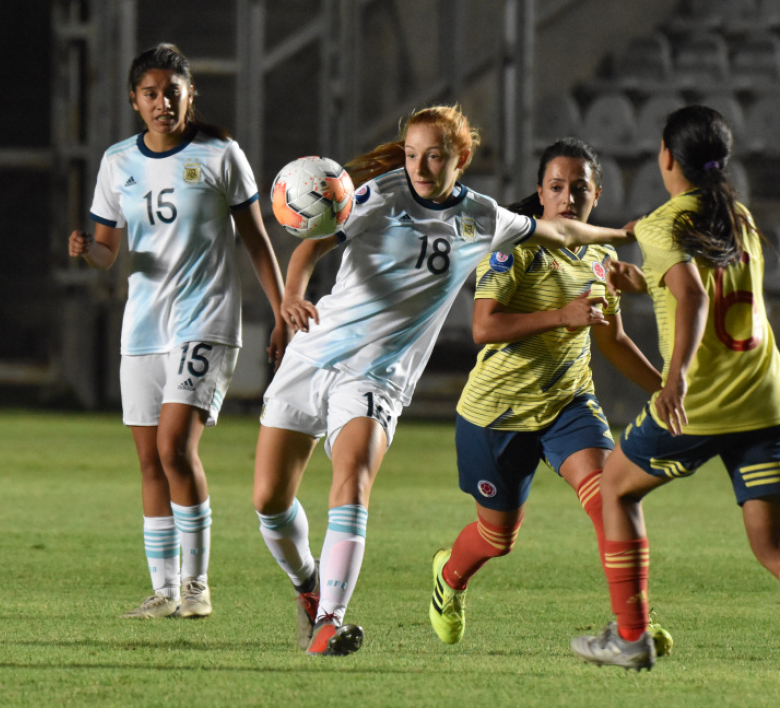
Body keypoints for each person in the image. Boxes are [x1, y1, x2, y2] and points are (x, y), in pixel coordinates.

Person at [253, 107, 634, 657]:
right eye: (412, 155)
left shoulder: (483, 217)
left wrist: (621, 231)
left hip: (377, 375)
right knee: (269, 500)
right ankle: (309, 586)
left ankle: (330, 622)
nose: (420, 167)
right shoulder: (377, 195)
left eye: (433, 156)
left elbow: (562, 229)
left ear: (461, 158)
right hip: (314, 355)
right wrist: (291, 295)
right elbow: (312, 242)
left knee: (353, 478)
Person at [69, 43, 286, 620]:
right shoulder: (118, 163)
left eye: (172, 91)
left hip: (206, 318)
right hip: (143, 326)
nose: (162, 102)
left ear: (190, 96)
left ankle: (196, 585)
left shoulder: (220, 154)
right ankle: (163, 591)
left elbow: (256, 239)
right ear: (134, 101)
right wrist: (89, 251)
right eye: (150, 93)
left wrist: (283, 305)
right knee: (148, 461)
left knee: (174, 447)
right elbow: (109, 252)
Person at [427, 138, 670, 650]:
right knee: (498, 539)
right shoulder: (513, 245)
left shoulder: (599, 256)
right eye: (556, 187)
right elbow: (483, 327)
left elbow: (615, 342)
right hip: (496, 413)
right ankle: (449, 579)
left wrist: (667, 391)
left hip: (569, 406)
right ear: (540, 192)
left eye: (578, 188)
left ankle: (633, 629)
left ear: (596, 195)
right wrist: (562, 315)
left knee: (611, 498)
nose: (566, 197)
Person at [570, 105, 780, 671]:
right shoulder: (737, 216)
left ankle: (630, 637)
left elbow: (694, 297)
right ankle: (630, 635)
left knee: (615, 487)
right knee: (771, 549)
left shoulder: (666, 223)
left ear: (666, 156)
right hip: (763, 398)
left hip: (702, 400)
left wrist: (677, 380)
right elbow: (700, 285)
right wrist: (644, 281)